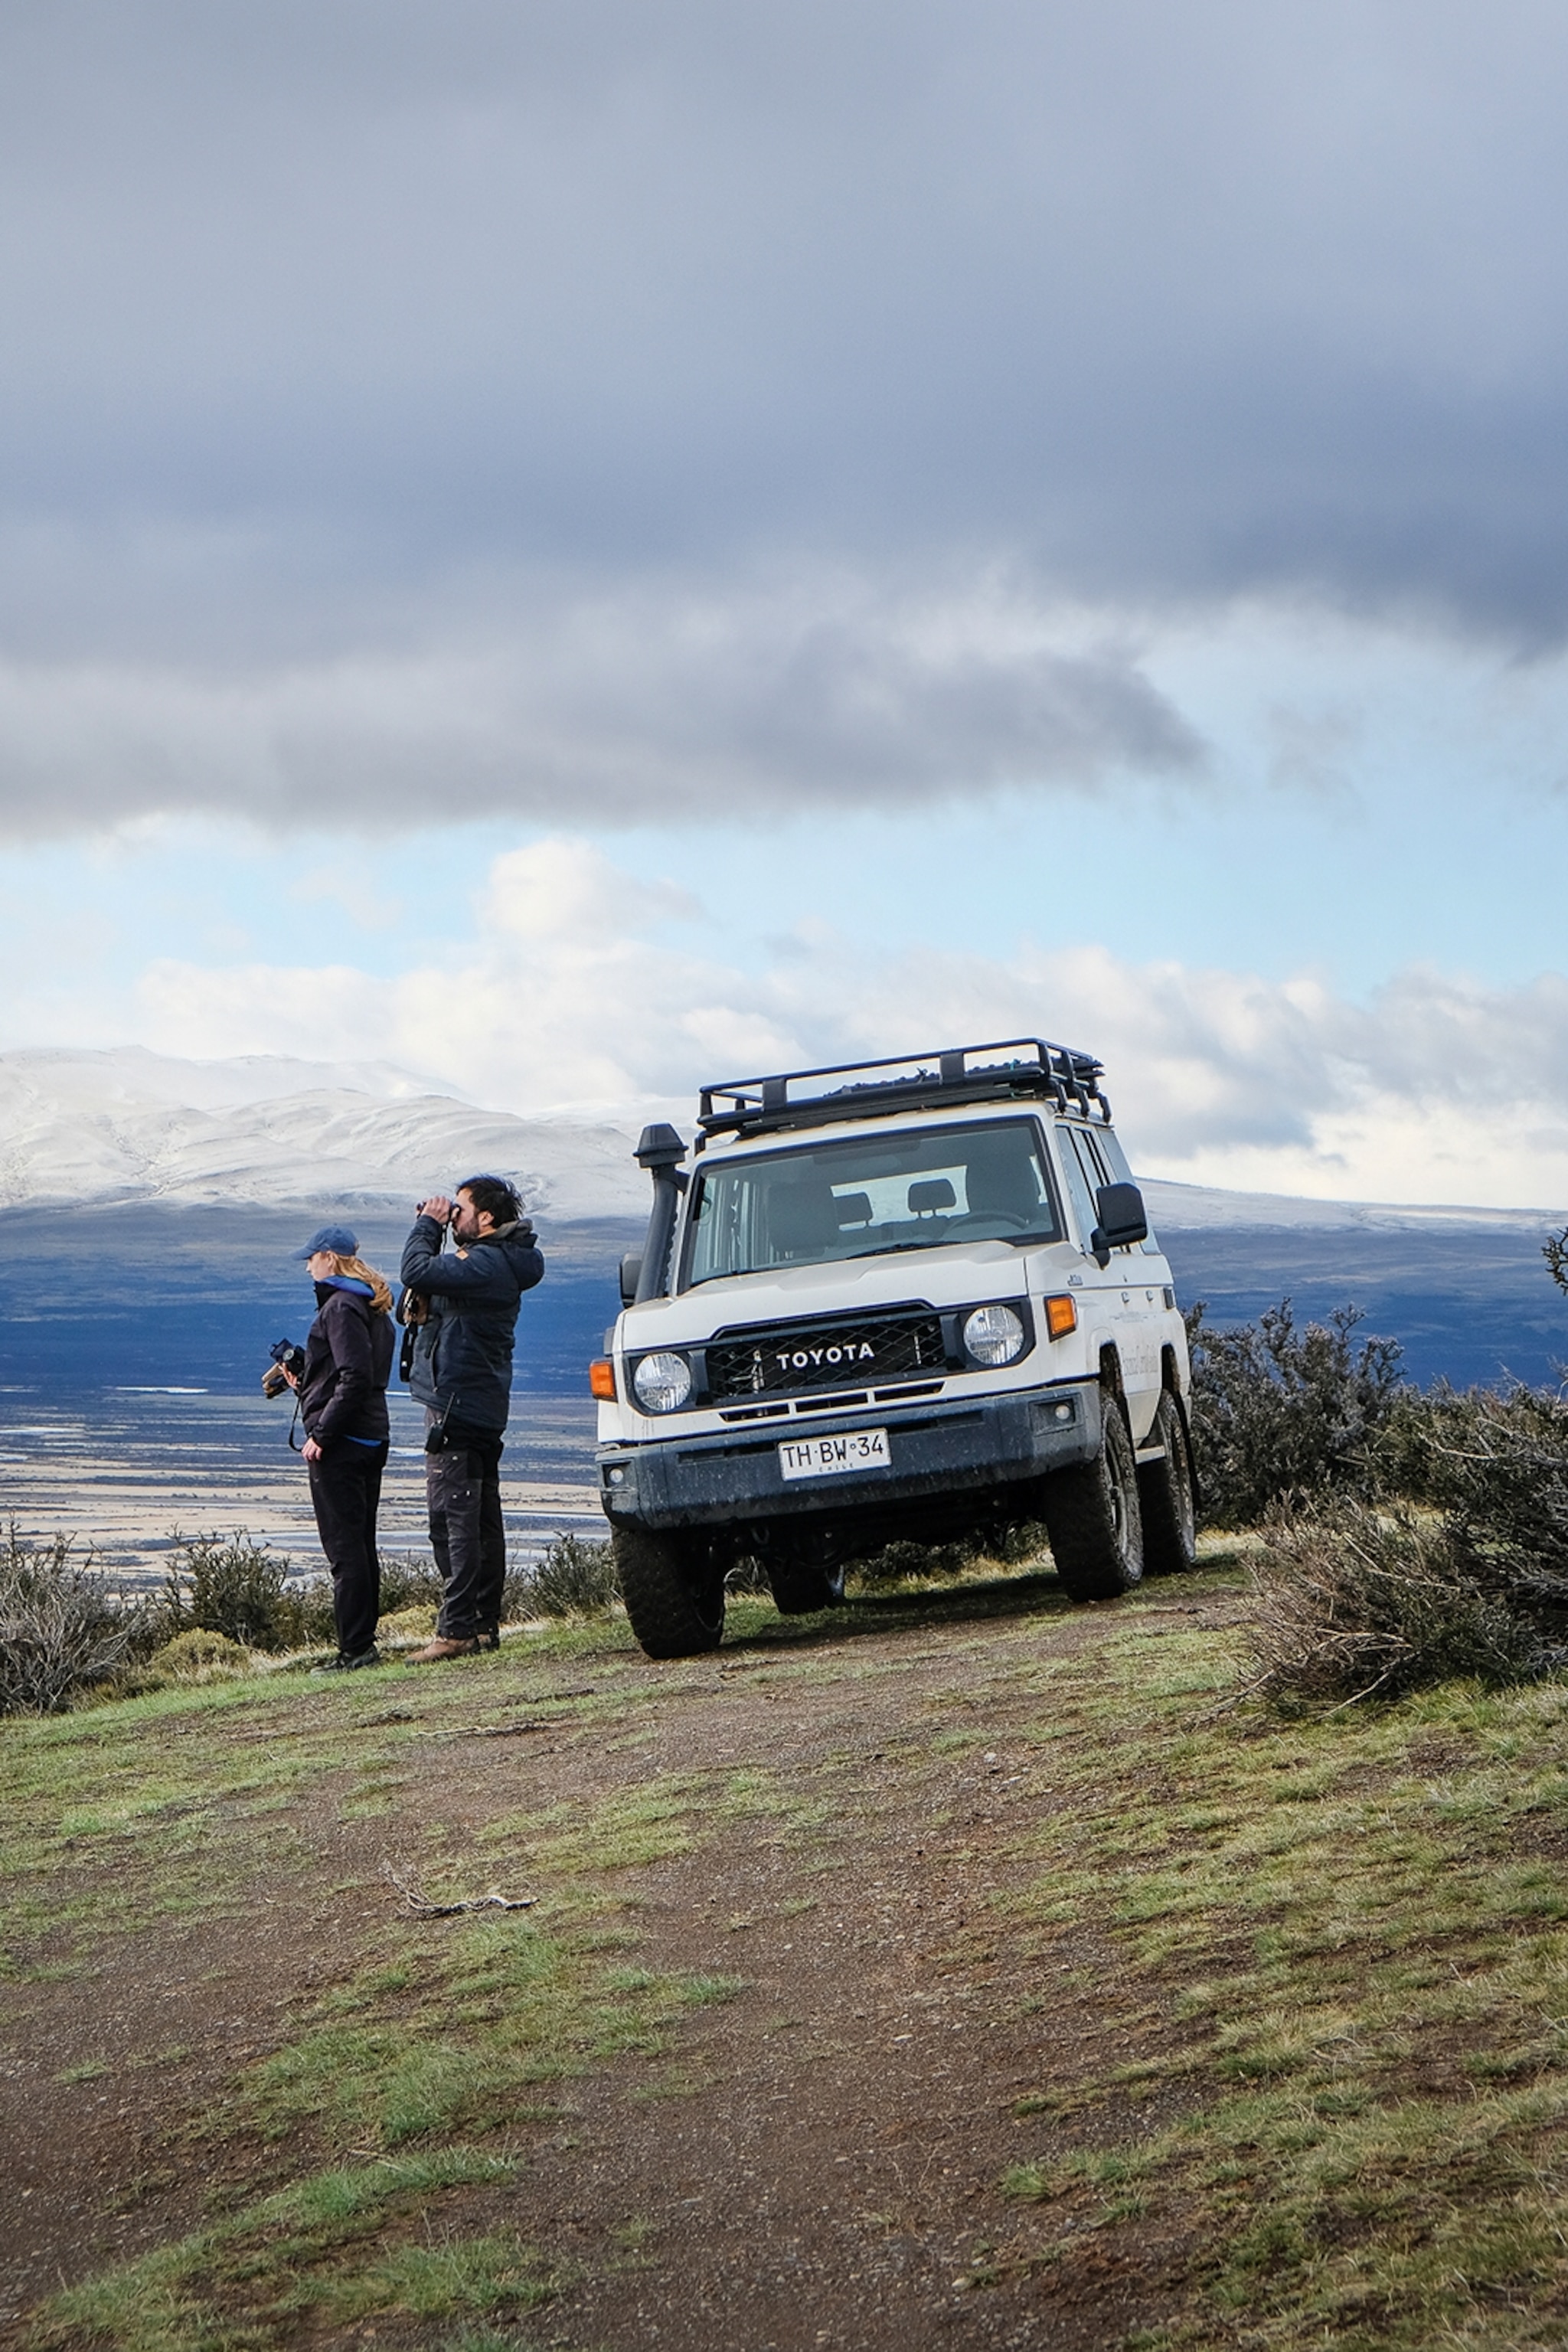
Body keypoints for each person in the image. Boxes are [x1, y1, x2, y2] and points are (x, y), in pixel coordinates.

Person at [399, 1176, 544, 1661]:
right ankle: (483, 1625)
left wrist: (426, 1225)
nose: (452, 1214)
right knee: (480, 1519)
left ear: (486, 1218)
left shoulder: (485, 1262)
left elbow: (415, 1270)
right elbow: (430, 1285)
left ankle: (457, 1629)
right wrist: (438, 1229)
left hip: (456, 1405)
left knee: (452, 1519)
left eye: (459, 1208)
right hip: (478, 1403)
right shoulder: (498, 1263)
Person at [286, 1222, 396, 1672]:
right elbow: (354, 1376)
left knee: (344, 1550)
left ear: (330, 1258)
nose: (308, 1267)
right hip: (371, 1435)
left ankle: (355, 1650)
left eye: (311, 1258)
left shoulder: (340, 1308)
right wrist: (305, 1383)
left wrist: (320, 1436)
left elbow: (353, 1378)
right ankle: (362, 1643)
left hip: (344, 1443)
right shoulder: (373, 1307)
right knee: (361, 1544)